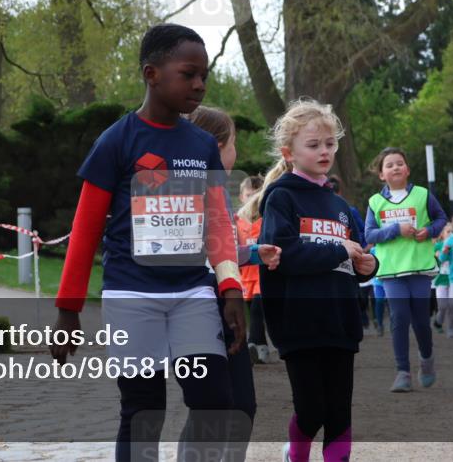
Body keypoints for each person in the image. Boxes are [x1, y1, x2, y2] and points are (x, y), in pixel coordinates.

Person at [50, 24, 246, 462]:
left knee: (214, 401)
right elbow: (84, 232)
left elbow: (217, 226)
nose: (199, 84)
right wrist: (68, 312)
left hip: (193, 294)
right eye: (188, 74)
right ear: (151, 74)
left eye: (204, 76)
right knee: (143, 410)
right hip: (130, 295)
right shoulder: (116, 142)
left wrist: (230, 289)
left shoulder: (202, 145)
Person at [254, 99, 379, 462]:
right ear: (288, 152)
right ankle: (297, 453)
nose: (324, 151)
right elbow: (284, 255)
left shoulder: (341, 206)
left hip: (341, 322)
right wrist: (340, 249)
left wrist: (369, 265)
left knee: (339, 414)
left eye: (330, 143)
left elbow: (359, 256)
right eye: (313, 144)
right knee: (312, 411)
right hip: (299, 323)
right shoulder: (281, 198)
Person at [188, 105, 281, 461]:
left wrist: (255, 253)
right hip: (197, 304)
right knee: (209, 407)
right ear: (215, 146)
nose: (236, 152)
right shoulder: (183, 192)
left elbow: (222, 249)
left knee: (243, 404)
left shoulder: (221, 194)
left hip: (229, 303)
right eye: (233, 144)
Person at [364, 147, 448, 392]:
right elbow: (369, 235)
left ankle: (427, 359)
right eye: (389, 165)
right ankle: (402, 372)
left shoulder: (422, 195)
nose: (395, 167)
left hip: (419, 267)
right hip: (390, 271)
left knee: (421, 320)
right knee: (399, 318)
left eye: (399, 163)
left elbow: (441, 218)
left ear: (407, 169)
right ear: (381, 174)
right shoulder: (375, 202)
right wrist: (395, 230)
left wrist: (430, 231)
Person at [237, 175, 273, 364]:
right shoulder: (236, 221)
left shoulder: (267, 218)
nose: (252, 198)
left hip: (262, 273)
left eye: (256, 195)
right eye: (248, 195)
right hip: (245, 275)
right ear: (242, 197)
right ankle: (261, 347)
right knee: (252, 311)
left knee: (259, 309)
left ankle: (251, 344)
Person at [433, 225, 453, 336]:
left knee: (451, 305)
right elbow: (431, 261)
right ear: (442, 234)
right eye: (448, 231)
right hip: (441, 279)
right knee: (442, 306)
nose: (450, 233)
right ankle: (438, 322)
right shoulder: (437, 246)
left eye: (452, 231)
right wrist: (436, 256)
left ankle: (450, 329)